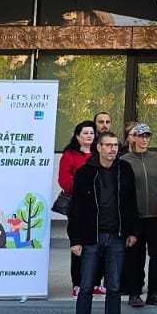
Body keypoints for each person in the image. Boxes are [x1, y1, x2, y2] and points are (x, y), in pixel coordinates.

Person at [67, 130, 138, 314]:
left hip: (117, 237)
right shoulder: (85, 172)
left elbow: (131, 203)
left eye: (115, 145)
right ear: (98, 147)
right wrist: (75, 240)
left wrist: (132, 231)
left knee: (114, 288)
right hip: (91, 238)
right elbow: (75, 208)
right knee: (86, 288)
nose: (113, 149)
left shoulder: (125, 169)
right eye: (108, 145)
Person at [121, 123, 157, 307]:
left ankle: (154, 292)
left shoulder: (155, 158)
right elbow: (122, 191)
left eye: (147, 136)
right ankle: (134, 292)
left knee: (156, 255)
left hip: (155, 216)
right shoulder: (125, 160)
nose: (144, 139)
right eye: (141, 136)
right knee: (135, 257)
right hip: (135, 217)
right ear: (134, 138)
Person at [59, 120, 98, 297]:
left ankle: (95, 283)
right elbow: (64, 180)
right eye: (85, 133)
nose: (89, 136)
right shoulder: (69, 155)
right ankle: (78, 283)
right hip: (78, 206)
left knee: (98, 245)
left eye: (92, 133)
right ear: (77, 136)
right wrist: (85, 188)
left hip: (99, 206)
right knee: (79, 245)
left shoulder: (99, 153)